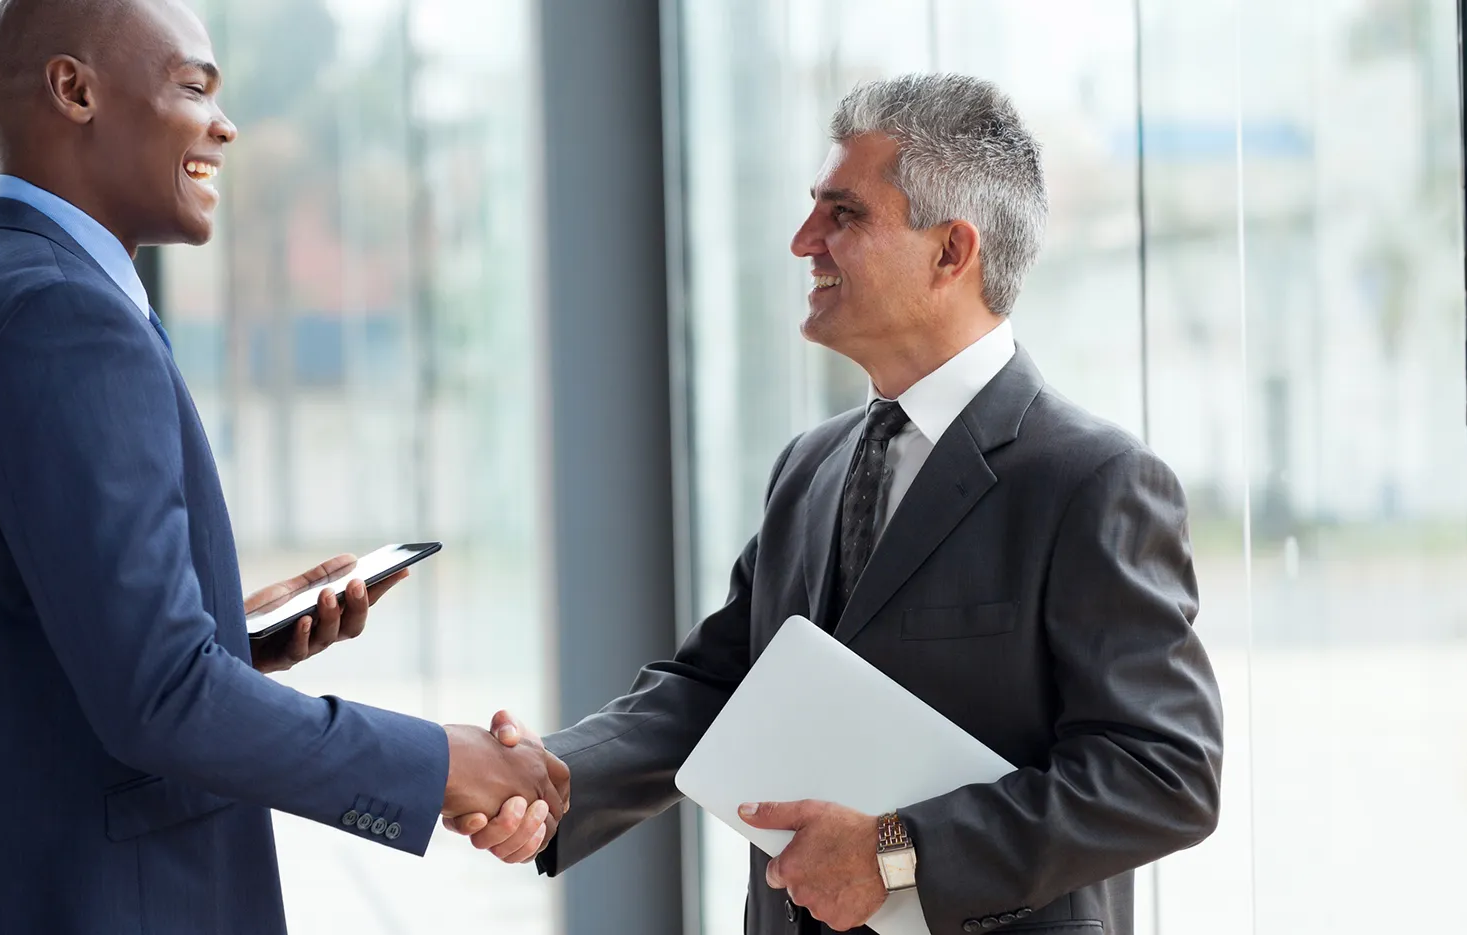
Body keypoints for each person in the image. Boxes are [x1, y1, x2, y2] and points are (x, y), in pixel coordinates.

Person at [0, 1, 562, 932]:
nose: (224, 124)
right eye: (192, 86)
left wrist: (227, 637)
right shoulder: (68, 322)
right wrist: (443, 764)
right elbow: (164, 699)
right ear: (75, 90)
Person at [454, 74, 1224, 935]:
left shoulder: (1093, 480)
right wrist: (553, 777)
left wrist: (897, 852)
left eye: (843, 214)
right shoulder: (810, 467)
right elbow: (721, 686)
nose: (802, 241)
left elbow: (1165, 774)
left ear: (951, 252)